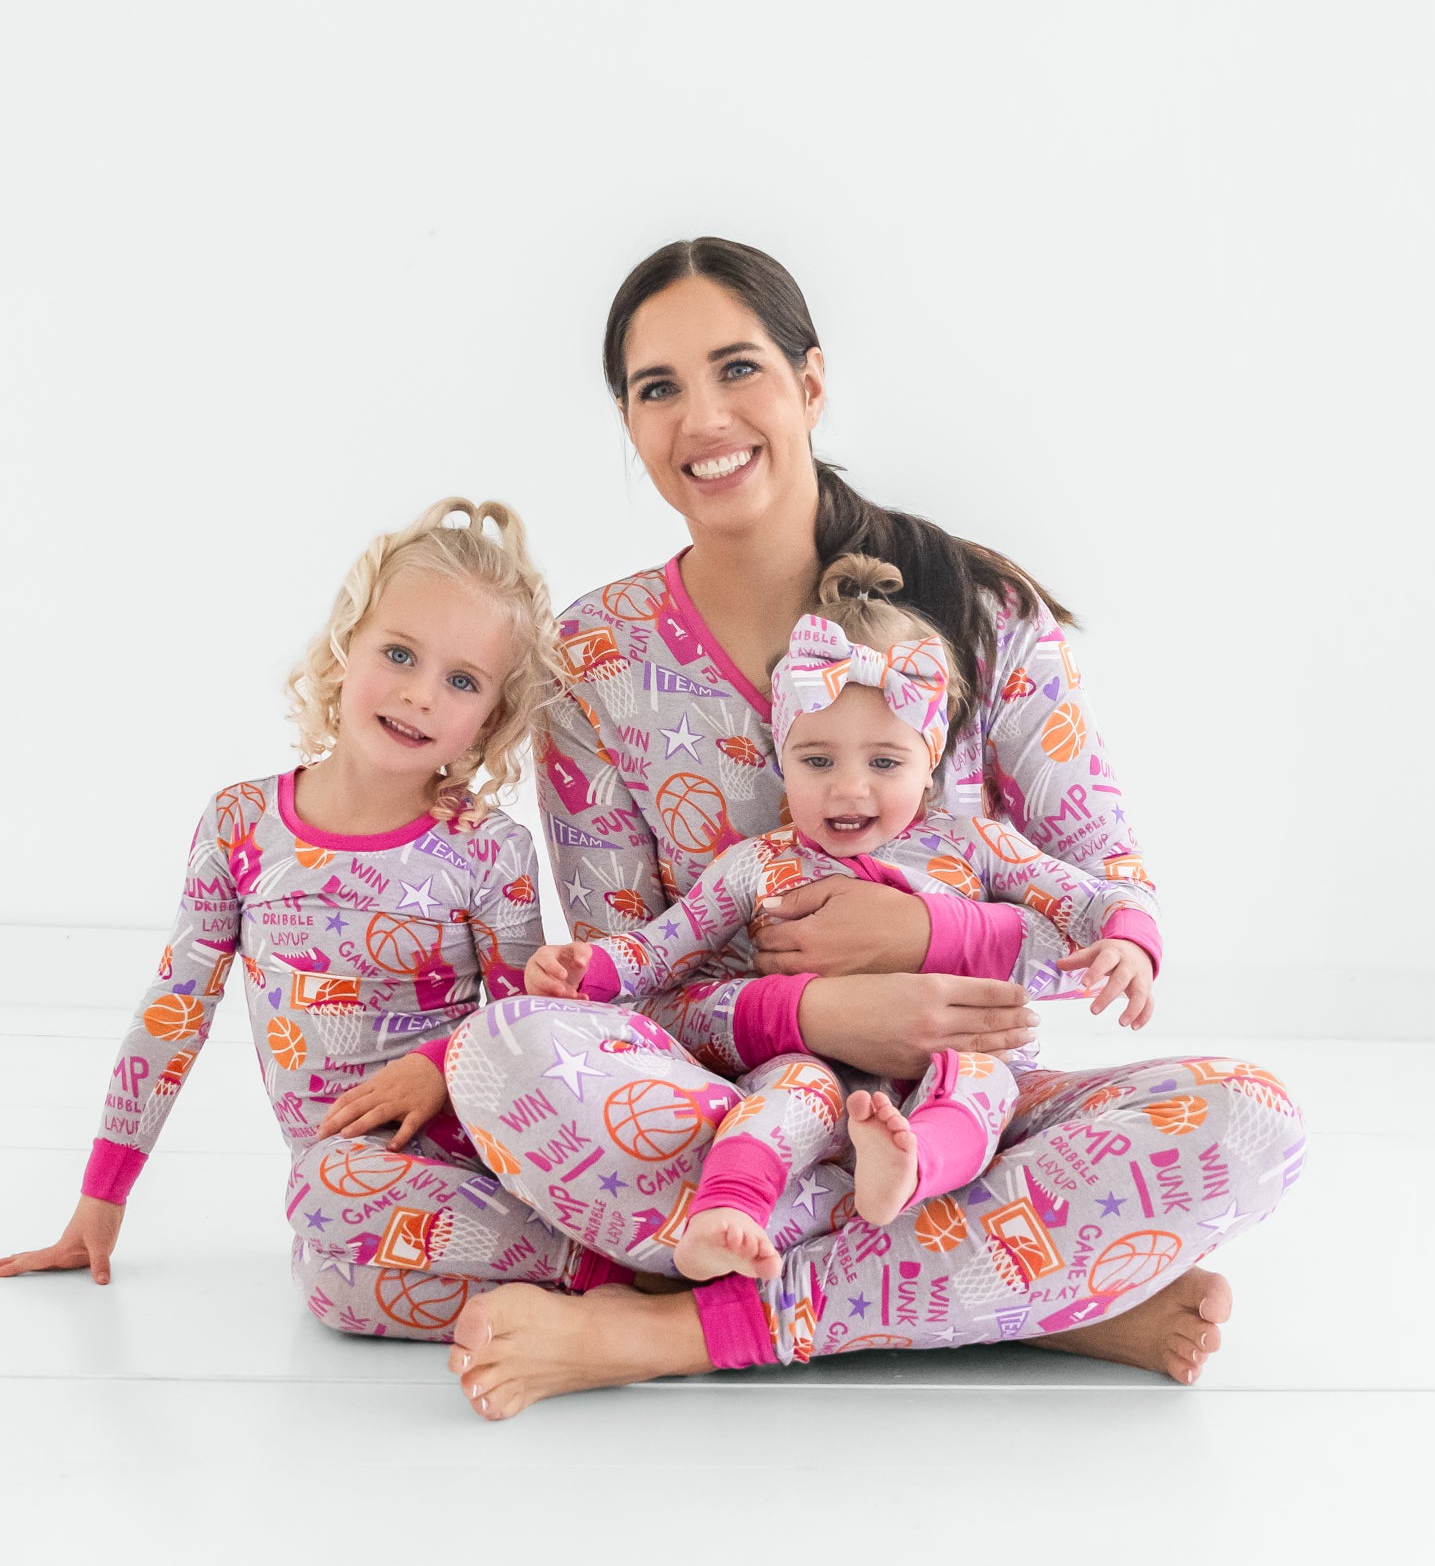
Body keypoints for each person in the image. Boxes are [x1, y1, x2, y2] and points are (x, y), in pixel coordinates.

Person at [440, 237, 1305, 1420]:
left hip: (964, 1114)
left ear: (808, 381)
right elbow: (622, 989)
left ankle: (675, 1331)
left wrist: (928, 937)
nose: (702, 417)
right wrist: (806, 1010)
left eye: (736, 367)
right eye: (657, 389)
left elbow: (1104, 902)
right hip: (732, 1125)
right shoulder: (593, 661)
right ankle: (1040, 1301)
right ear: (629, 423)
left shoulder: (980, 609)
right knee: (504, 1056)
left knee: (1253, 1125)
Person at [0, 499, 634, 1332]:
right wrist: (101, 1199)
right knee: (331, 1275)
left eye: (462, 681)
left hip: (474, 1149)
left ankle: (610, 1268)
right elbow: (173, 1014)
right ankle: (593, 1279)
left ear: (492, 717)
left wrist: (440, 1064)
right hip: (350, 1178)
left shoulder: (488, 848)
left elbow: (528, 1026)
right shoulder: (240, 825)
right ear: (344, 647)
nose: (419, 695)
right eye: (399, 653)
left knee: (321, 1207)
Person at [525, 554, 1161, 1283]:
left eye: (885, 763)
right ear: (780, 758)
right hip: (815, 1059)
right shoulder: (756, 863)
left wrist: (1129, 941)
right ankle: (726, 1213)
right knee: (788, 1093)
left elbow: (1089, 894)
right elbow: (665, 950)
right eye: (817, 760)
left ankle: (909, 1169)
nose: (848, 788)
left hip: (956, 1056)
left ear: (932, 762)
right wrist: (592, 968)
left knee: (982, 1085)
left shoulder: (973, 842)